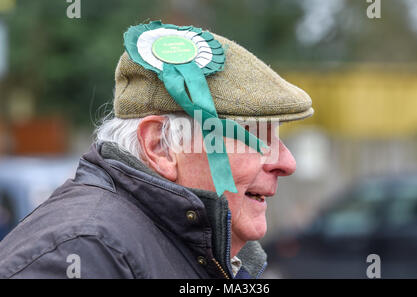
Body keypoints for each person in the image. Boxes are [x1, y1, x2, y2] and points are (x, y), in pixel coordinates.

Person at [0, 21, 313, 279]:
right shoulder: (84, 252)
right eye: (252, 136)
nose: (287, 162)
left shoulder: (206, 251)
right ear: (159, 147)